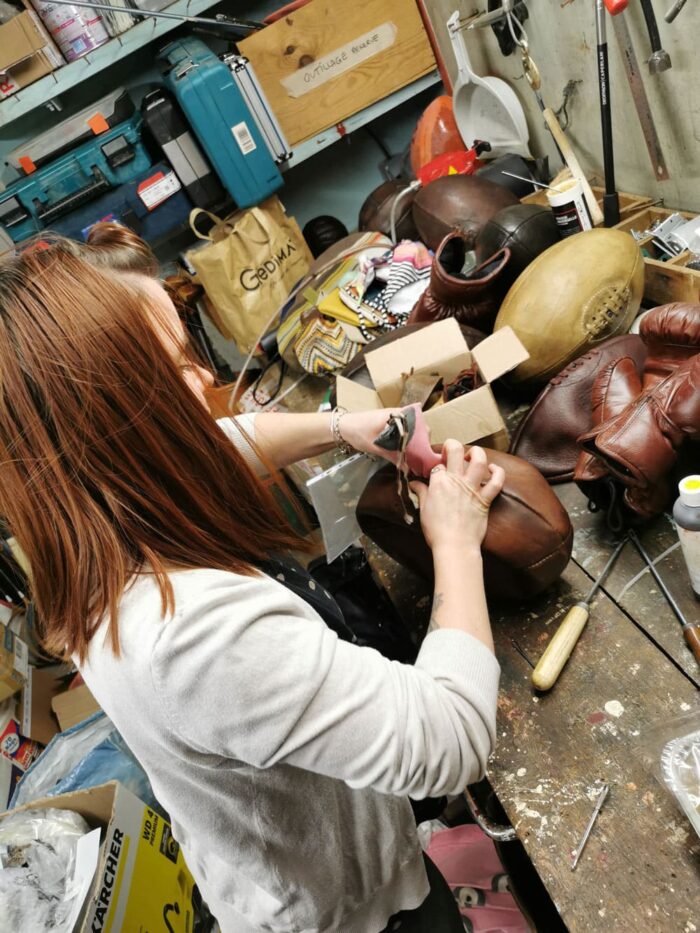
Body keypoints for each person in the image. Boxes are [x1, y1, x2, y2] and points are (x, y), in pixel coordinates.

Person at [0, 232, 505, 932]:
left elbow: (221, 442)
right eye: (174, 371)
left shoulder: (88, 540)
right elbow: (450, 740)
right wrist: (455, 542)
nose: (204, 382)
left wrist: (348, 426)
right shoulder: (194, 635)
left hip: (286, 879)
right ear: (112, 426)